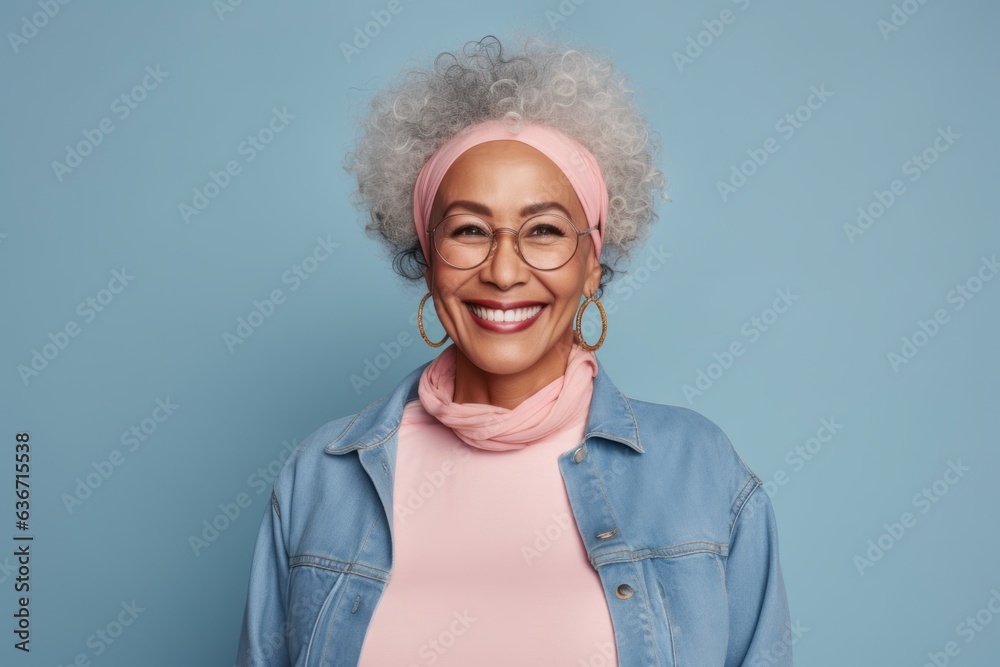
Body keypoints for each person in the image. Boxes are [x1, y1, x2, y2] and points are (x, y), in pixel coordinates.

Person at [236, 35, 792, 667]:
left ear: (592, 265)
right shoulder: (323, 478)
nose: (504, 272)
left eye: (546, 231)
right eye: (470, 230)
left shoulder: (700, 471)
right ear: (427, 260)